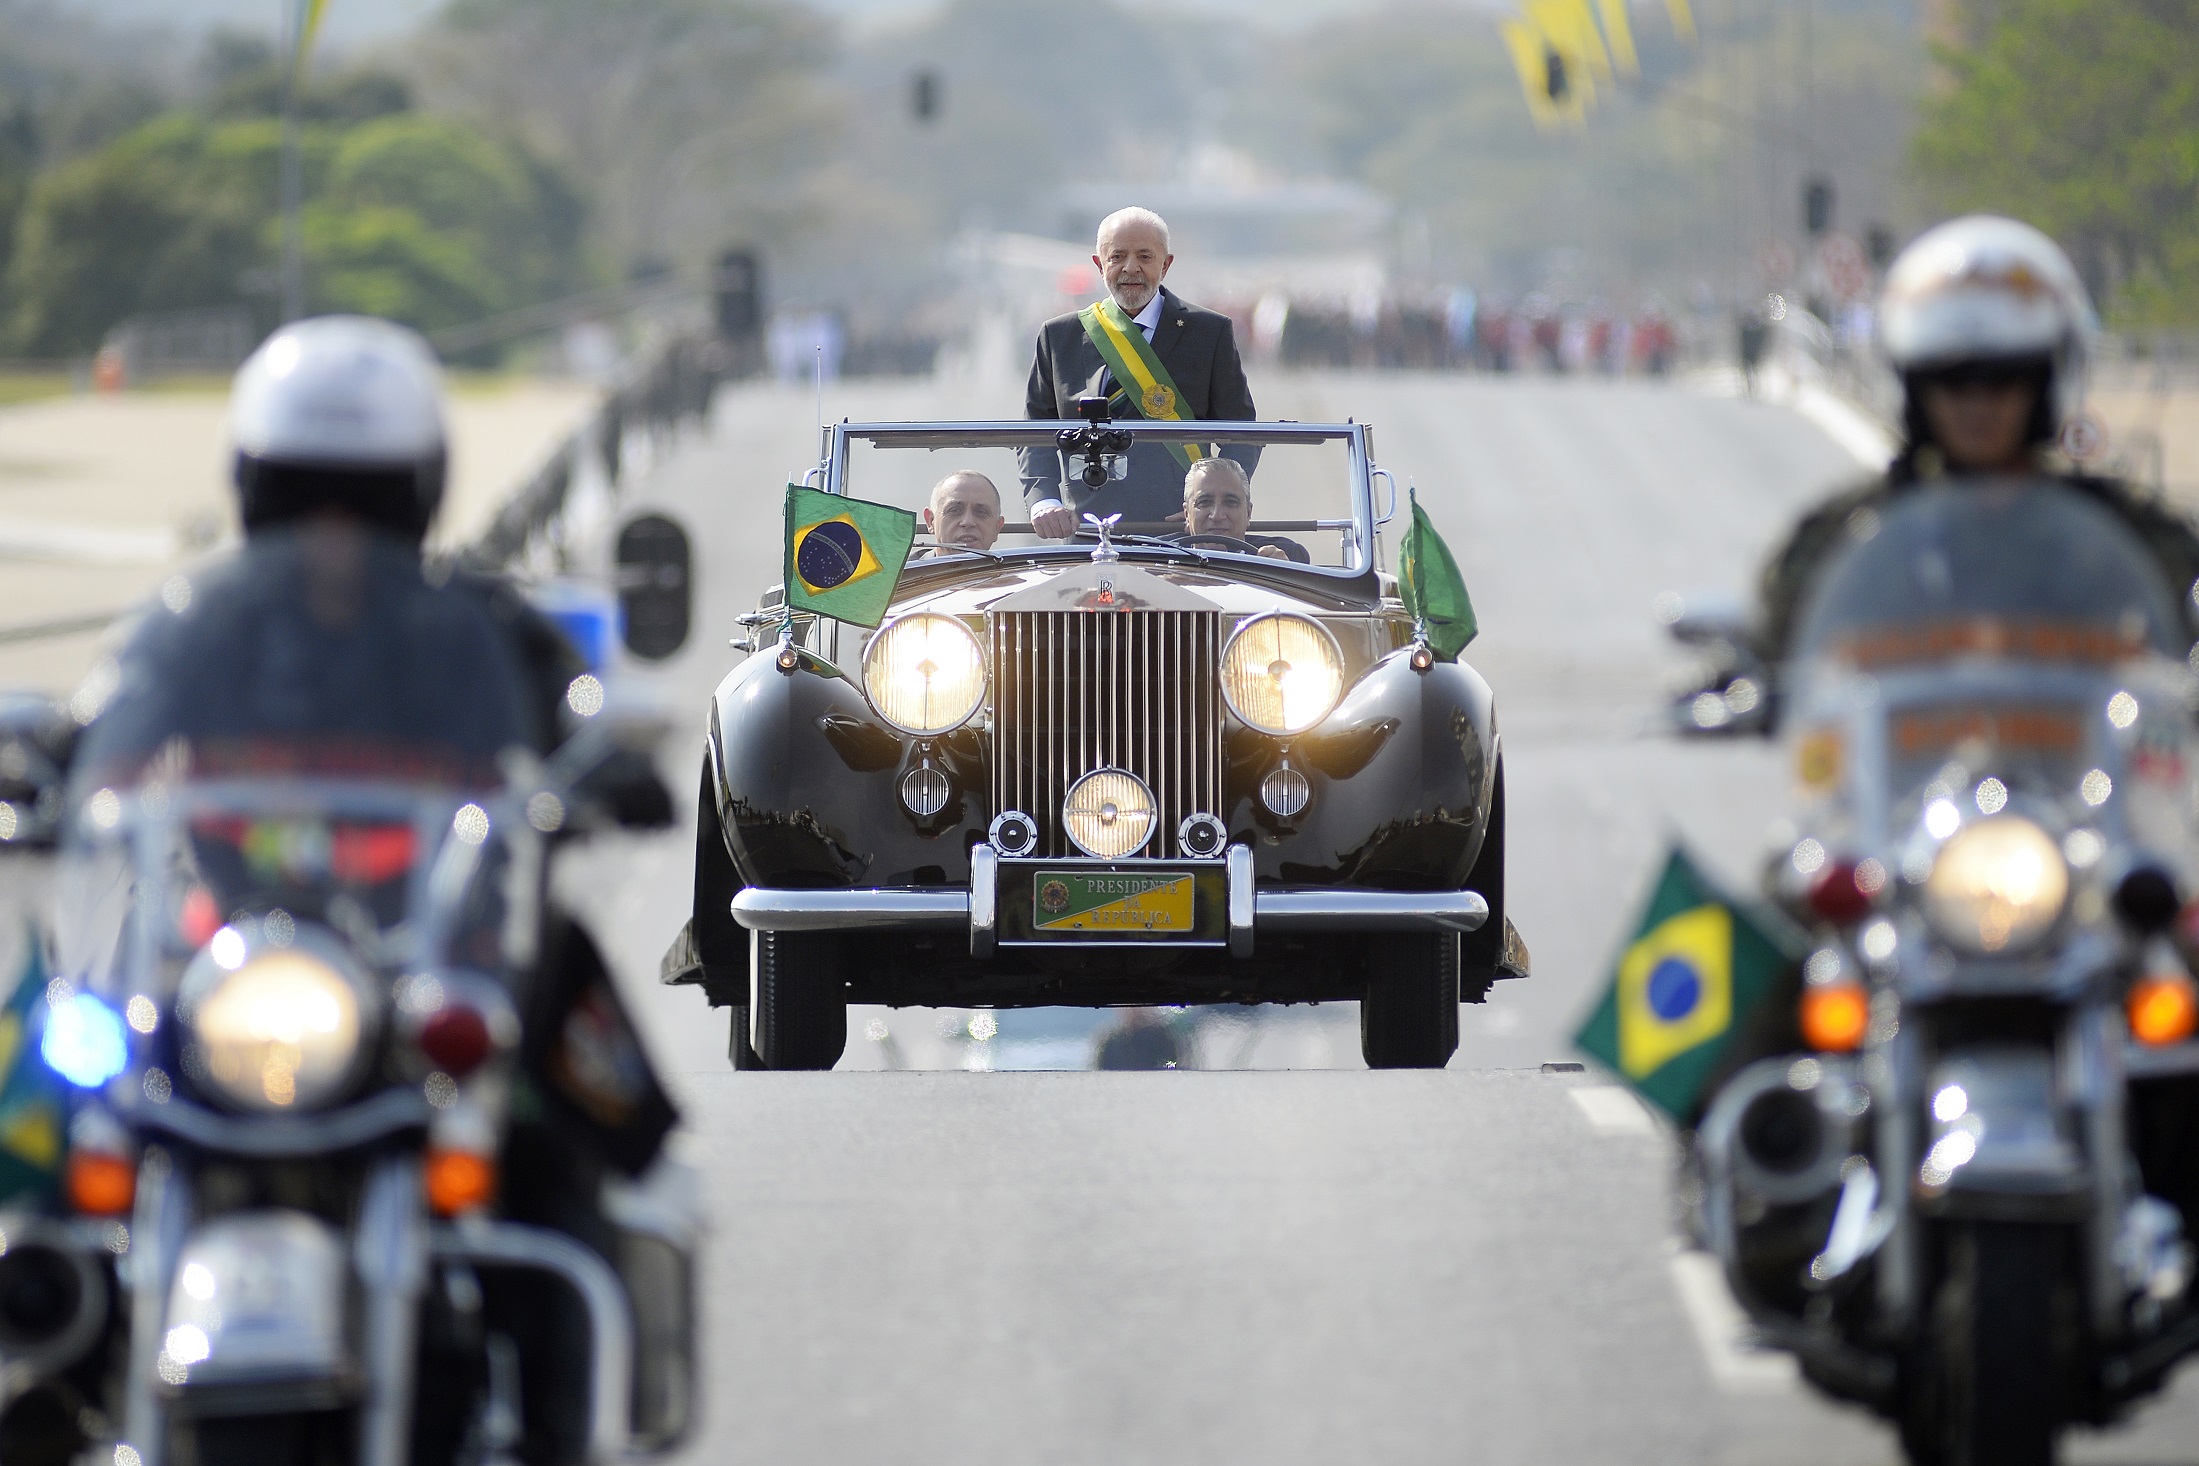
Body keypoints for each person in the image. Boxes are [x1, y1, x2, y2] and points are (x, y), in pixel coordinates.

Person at [68, 315, 676, 1465]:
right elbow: (111, 737)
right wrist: (57, 763)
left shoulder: (488, 630)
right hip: (227, 949)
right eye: (303, 490)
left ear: (416, 494)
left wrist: (614, 765)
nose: (331, 524)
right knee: (51, 1087)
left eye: (360, 494)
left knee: (562, 1124)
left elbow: (580, 733)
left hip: (431, 952)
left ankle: (562, 1417)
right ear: (257, 487)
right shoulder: (192, 631)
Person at [1748, 216, 2199, 679]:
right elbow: (1773, 648)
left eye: (2004, 379)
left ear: (2044, 386)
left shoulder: (2130, 530)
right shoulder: (1844, 535)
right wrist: (1746, 679)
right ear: (1915, 387)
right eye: (1951, 381)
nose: (1977, 405)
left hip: (2081, 749)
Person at [1022, 206, 1257, 537]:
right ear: (1099, 264)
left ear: (1166, 264)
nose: (1130, 268)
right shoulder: (1060, 336)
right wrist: (1043, 501)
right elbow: (1034, 430)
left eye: (1145, 256)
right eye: (1117, 256)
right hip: (1086, 529)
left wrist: (1216, 503)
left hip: (1181, 531)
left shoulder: (1208, 332)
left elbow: (1242, 431)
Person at [1175, 458, 1306, 562]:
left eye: (1230, 502)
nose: (1217, 515)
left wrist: (1283, 577)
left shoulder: (1286, 555)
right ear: (1187, 514)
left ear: (1248, 513)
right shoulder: (1158, 556)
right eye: (1204, 503)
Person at [923, 469, 1006, 553]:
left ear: (997, 528)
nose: (968, 522)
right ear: (931, 521)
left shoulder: (1015, 565)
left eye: (981, 512)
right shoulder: (911, 565)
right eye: (955, 510)